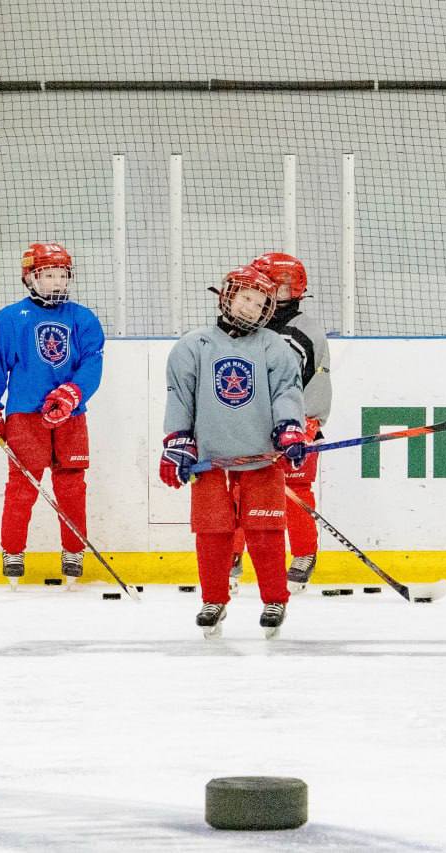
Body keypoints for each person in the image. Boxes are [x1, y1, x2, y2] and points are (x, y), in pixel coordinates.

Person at [159, 265, 307, 639]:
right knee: (212, 533)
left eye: (259, 303)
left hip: (261, 458)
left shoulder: (274, 346)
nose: (250, 308)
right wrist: (177, 441)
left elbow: (287, 391)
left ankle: (275, 598)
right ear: (227, 296)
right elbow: (180, 396)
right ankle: (213, 599)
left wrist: (290, 428)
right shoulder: (193, 346)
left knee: (266, 532)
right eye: (245, 298)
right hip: (210, 458)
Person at [0, 243, 105, 589]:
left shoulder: (82, 318)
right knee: (21, 488)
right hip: (25, 418)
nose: (57, 282)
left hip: (71, 417)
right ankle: (13, 552)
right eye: (48, 275)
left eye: (62, 275)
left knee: (72, 487)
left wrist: (72, 393)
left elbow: (93, 363)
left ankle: (73, 551)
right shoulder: (9, 319)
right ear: (30, 278)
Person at [227, 252, 332, 595]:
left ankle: (303, 554)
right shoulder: (244, 328)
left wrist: (308, 422)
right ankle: (231, 556)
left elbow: (316, 380)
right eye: (270, 286)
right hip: (250, 425)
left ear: (297, 290)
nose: (276, 293)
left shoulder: (307, 329)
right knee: (241, 491)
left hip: (297, 425)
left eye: (284, 288)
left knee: (295, 492)